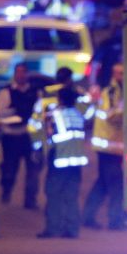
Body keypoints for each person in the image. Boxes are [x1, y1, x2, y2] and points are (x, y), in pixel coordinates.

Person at [38, 86, 89, 239]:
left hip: (59, 160)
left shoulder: (55, 115)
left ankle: (53, 229)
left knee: (53, 195)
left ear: (60, 99)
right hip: (76, 161)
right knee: (72, 196)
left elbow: (49, 136)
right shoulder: (78, 113)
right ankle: (72, 229)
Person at [0, 63, 42, 209]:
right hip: (11, 136)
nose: (20, 75)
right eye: (18, 72)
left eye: (23, 72)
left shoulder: (35, 92)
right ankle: (6, 191)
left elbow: (40, 113)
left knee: (33, 169)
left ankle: (30, 200)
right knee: (9, 168)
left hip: (29, 137)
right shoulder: (6, 92)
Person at [83, 63, 125, 230]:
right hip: (108, 147)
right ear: (114, 75)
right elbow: (110, 116)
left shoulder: (118, 91)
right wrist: (126, 110)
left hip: (110, 147)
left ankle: (88, 216)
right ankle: (115, 221)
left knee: (102, 184)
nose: (122, 76)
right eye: (119, 73)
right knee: (116, 185)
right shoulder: (112, 92)